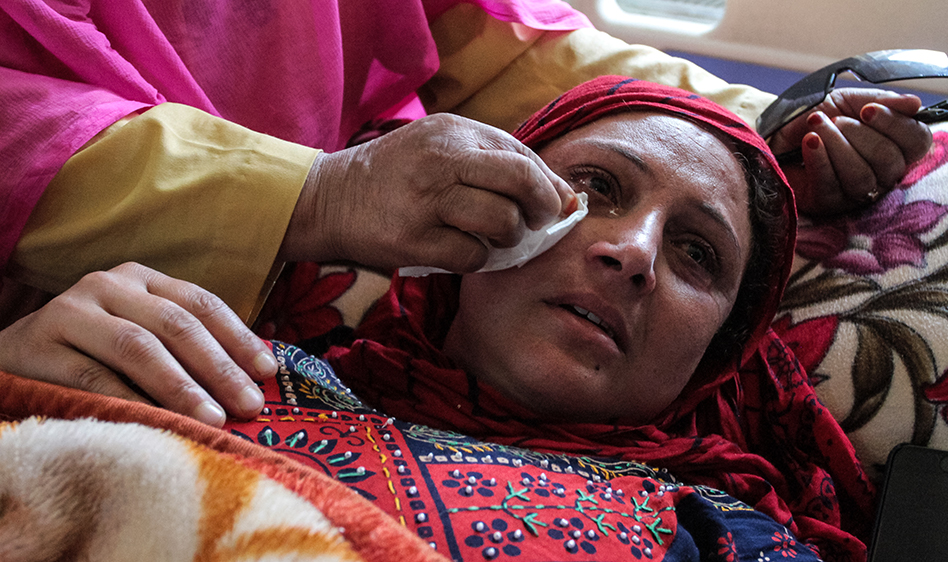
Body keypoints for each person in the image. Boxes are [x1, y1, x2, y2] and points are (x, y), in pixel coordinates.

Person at [0, 76, 873, 561]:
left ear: (715, 357)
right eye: (598, 188)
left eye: (697, 255)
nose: (634, 251)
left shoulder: (724, 531)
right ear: (475, 223)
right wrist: (18, 383)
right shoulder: (219, 365)